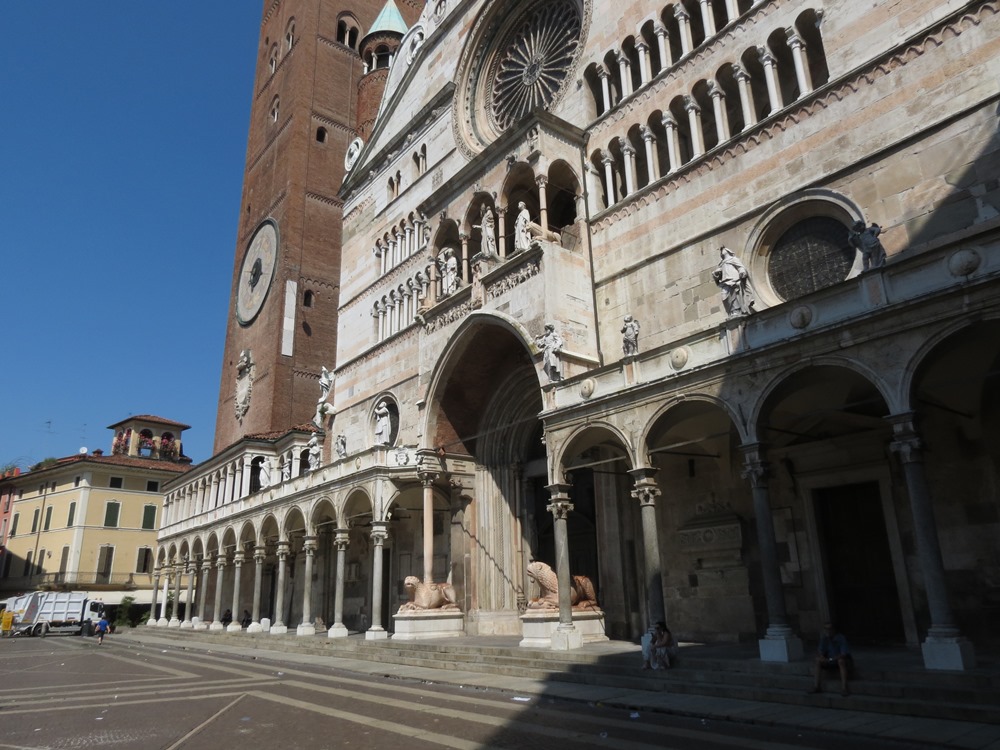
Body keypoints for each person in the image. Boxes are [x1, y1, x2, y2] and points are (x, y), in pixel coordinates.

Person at [711, 247, 755, 318]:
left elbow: (740, 267)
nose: (722, 252)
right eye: (721, 251)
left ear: (728, 251)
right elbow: (718, 275)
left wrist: (742, 271)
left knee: (735, 296)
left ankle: (736, 311)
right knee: (724, 296)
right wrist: (716, 274)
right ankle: (731, 311)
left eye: (723, 250)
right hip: (725, 282)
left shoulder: (733, 259)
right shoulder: (721, 264)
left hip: (734, 280)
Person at [810, 622, 852, 696]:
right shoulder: (824, 638)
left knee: (841, 661)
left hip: (838, 660)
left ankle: (844, 688)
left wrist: (831, 659)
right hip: (829, 660)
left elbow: (843, 654)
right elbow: (820, 651)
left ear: (833, 630)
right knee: (817, 661)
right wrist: (821, 657)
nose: (827, 631)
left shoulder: (841, 638)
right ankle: (816, 686)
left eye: (829, 629)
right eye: (826, 629)